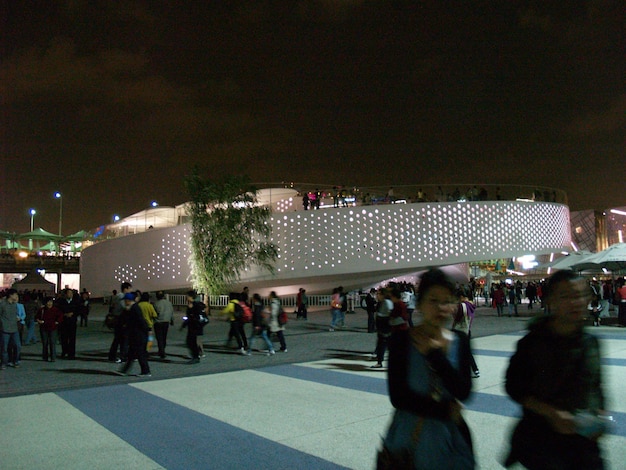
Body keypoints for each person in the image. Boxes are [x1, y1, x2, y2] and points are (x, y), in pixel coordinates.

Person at [504, 270, 607, 469]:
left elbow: (597, 387)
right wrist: (551, 413)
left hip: (585, 446)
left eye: (579, 295)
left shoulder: (591, 343)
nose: (576, 302)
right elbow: (514, 387)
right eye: (566, 296)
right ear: (550, 301)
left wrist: (601, 417)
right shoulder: (532, 344)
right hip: (544, 446)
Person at [378, 269, 474, 469]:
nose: (441, 307)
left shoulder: (460, 341)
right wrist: (445, 410)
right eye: (433, 300)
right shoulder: (401, 342)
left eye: (448, 301)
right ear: (420, 304)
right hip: (409, 437)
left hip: (449, 440)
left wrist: (434, 355)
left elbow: (463, 391)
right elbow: (398, 397)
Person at [117, 292, 151, 377]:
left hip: (139, 335)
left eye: (125, 300)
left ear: (129, 300)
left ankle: (146, 371)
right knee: (132, 354)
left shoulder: (135, 308)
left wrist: (146, 331)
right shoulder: (132, 308)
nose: (124, 302)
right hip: (136, 335)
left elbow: (140, 321)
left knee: (140, 354)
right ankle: (124, 371)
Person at [452, 292, 480, 378]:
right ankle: (475, 370)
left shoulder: (462, 305)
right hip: (467, 330)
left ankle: (460, 370)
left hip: (460, 330)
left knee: (459, 351)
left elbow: (457, 317)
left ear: (462, 297)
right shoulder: (471, 306)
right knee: (466, 351)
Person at [108, 282, 132, 363]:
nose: (130, 291)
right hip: (121, 319)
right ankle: (121, 356)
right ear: (126, 289)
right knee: (123, 339)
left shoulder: (117, 296)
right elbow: (125, 307)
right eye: (129, 289)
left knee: (118, 339)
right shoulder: (122, 297)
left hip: (116, 318)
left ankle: (113, 355)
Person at [181, 290, 206, 364]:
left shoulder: (195, 305)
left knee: (191, 341)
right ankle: (196, 356)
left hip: (195, 326)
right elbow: (189, 317)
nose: (186, 298)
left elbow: (194, 316)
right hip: (192, 326)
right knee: (191, 341)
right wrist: (184, 325)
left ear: (190, 297)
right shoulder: (190, 305)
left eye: (187, 296)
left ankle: (196, 356)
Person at [36, 297, 64, 362]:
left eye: (51, 302)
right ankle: (45, 356)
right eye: (48, 302)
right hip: (44, 328)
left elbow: (60, 316)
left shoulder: (55, 309)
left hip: (53, 328)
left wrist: (57, 321)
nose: (49, 303)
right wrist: (39, 321)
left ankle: (53, 357)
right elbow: (37, 317)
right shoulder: (42, 310)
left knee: (52, 343)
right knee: (45, 343)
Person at [371, 288, 393, 369]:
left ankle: (380, 362)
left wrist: (387, 328)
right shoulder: (381, 302)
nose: (377, 296)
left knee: (383, 345)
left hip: (385, 329)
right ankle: (379, 361)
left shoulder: (386, 302)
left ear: (383, 295)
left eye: (379, 294)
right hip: (382, 328)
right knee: (382, 346)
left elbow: (390, 314)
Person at [0, 289, 22, 369]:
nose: (16, 296)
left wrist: (17, 318)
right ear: (10, 295)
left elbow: (15, 314)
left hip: (14, 328)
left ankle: (15, 361)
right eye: (15, 295)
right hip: (5, 329)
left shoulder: (14, 305)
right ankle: (4, 363)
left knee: (17, 346)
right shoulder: (2, 304)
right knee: (4, 347)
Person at [56, 288, 79, 359]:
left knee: (72, 339)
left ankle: (71, 354)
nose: (70, 295)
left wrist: (73, 314)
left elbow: (79, 310)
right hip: (64, 322)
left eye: (71, 293)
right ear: (65, 294)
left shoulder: (75, 302)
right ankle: (64, 352)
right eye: (68, 293)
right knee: (64, 338)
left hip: (72, 322)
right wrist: (64, 314)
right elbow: (58, 311)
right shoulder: (61, 302)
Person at [153, 291, 174, 358]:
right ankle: (162, 350)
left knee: (159, 338)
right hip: (166, 321)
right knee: (164, 337)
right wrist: (172, 320)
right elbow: (171, 312)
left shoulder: (156, 304)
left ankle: (161, 351)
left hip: (158, 322)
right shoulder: (169, 303)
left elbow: (154, 313)